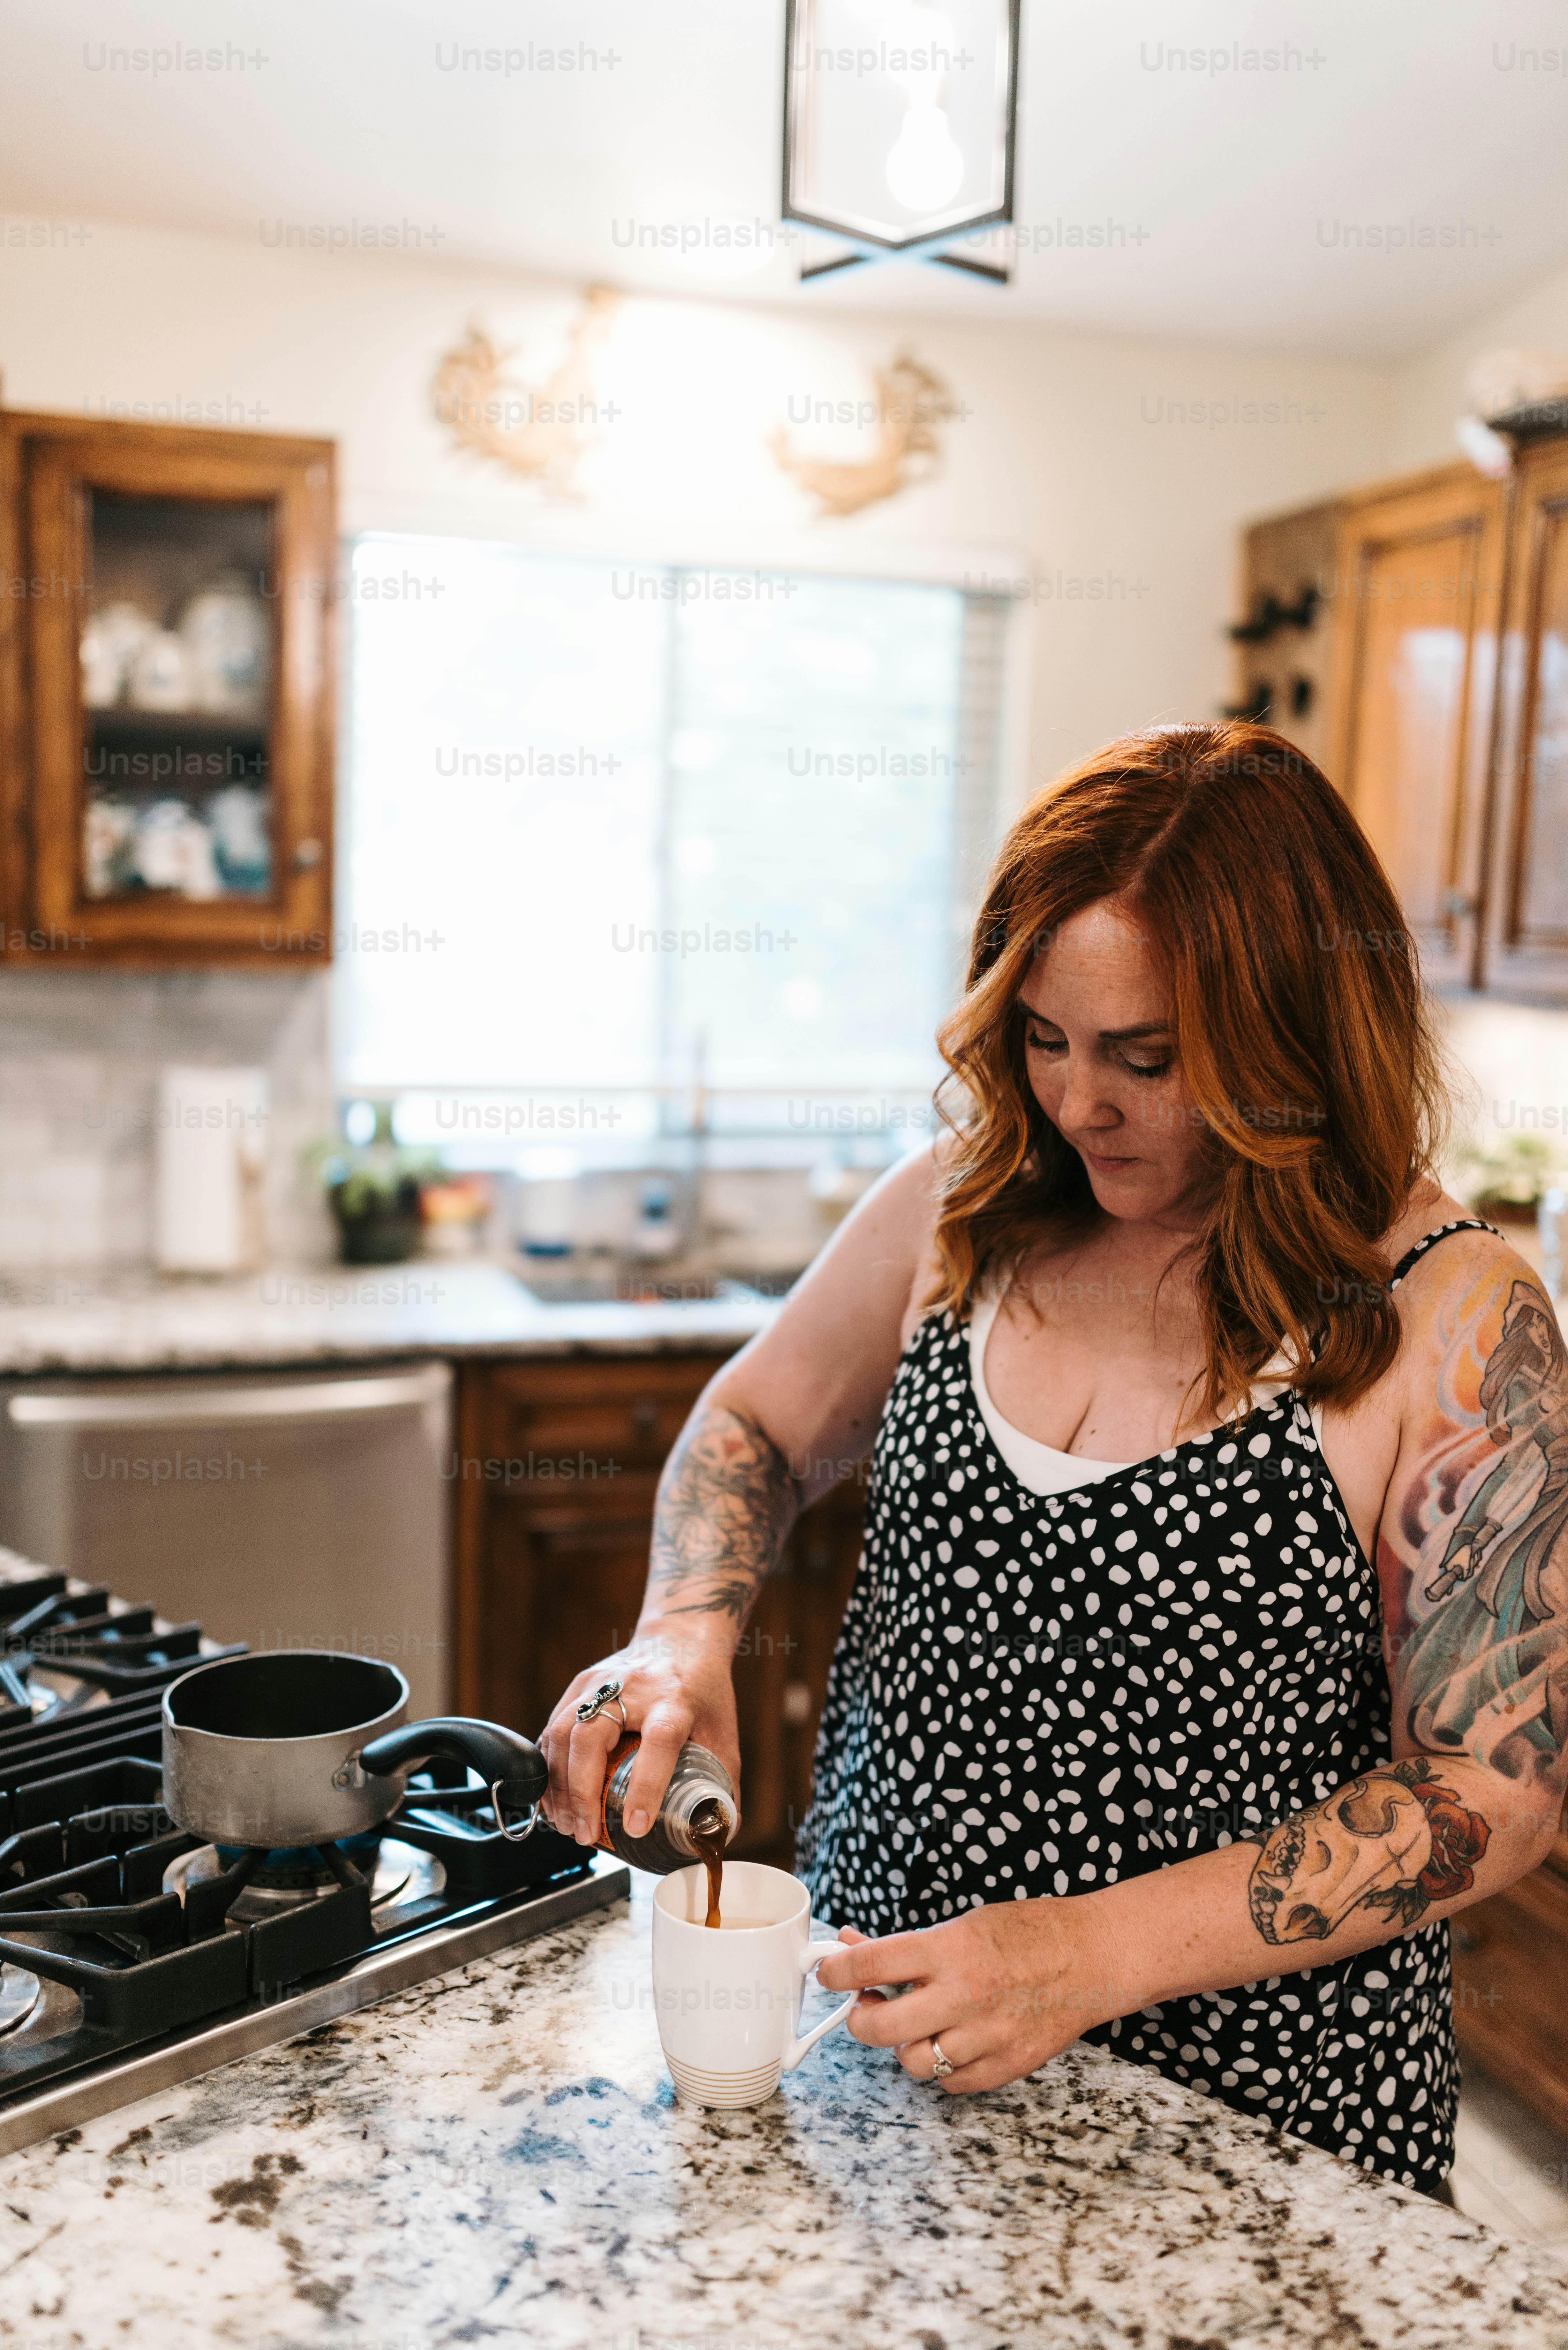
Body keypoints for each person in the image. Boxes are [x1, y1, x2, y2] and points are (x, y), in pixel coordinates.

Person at [539, 722, 1568, 2198]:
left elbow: (1492, 1786)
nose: (1078, 1103)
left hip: (1251, 2129)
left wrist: (1082, 1950)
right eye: (1042, 1038)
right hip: (876, 2047)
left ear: (1291, 1031)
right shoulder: (965, 1205)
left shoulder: (1448, 1315)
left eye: (1145, 1057)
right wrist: (682, 1631)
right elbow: (756, 1425)